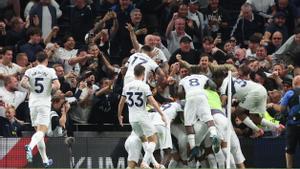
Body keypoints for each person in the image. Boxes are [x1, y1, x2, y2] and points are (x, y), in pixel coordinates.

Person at [118, 64, 167, 168]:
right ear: (143, 74)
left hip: (132, 119)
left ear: (134, 73)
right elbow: (153, 102)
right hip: (142, 116)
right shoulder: (144, 86)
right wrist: (162, 114)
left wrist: (119, 116)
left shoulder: (127, 86)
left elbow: (121, 103)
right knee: (153, 140)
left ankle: (154, 163)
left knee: (144, 139)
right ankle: (145, 162)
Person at [20, 51, 60, 167]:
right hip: (44, 104)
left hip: (32, 104)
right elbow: (57, 85)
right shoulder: (50, 71)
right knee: (42, 131)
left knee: (39, 133)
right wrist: (49, 89)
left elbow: (22, 83)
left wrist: (31, 88)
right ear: (46, 60)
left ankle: (45, 160)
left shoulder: (30, 70)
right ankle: (30, 146)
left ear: (37, 60)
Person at [178, 73, 220, 161]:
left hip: (190, 96)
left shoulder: (184, 79)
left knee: (188, 124)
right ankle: (214, 134)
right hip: (202, 95)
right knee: (208, 118)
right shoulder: (202, 76)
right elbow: (214, 85)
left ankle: (193, 147)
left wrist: (183, 98)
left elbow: (180, 92)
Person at [276, 75, 300, 168]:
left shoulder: (290, 93)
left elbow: (282, 109)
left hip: (292, 125)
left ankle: (289, 167)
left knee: (290, 149)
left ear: (294, 84)